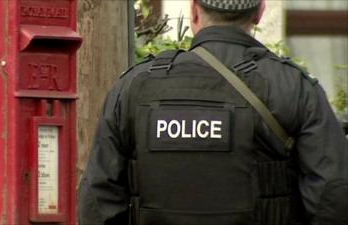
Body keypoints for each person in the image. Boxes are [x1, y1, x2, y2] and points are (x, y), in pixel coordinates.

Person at [78, 0, 348, 224]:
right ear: (259, 12)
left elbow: (97, 200)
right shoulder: (295, 88)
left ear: (194, 12)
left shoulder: (135, 87)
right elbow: (333, 198)